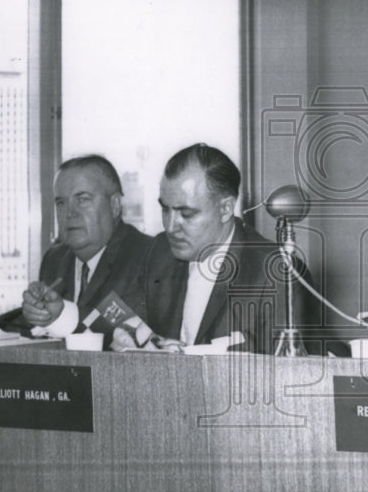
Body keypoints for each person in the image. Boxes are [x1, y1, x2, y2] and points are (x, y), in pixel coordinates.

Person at [114, 144, 303, 354]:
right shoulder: (161, 250)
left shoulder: (275, 271)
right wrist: (131, 336)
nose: (169, 226)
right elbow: (124, 319)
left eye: (186, 213)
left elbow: (288, 376)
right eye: (165, 209)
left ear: (225, 209)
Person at [20, 155, 152, 338]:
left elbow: (135, 333)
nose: (70, 213)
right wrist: (36, 313)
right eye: (61, 203)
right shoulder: (53, 260)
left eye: (82, 199)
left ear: (114, 205)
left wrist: (62, 316)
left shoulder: (148, 256)